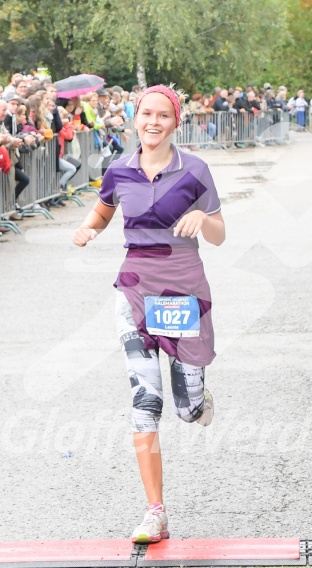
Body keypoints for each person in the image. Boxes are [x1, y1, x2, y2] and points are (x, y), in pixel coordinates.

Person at [72, 84, 225, 543]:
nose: (153, 122)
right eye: (145, 114)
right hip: (135, 290)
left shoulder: (194, 170)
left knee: (186, 408)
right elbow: (101, 212)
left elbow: (219, 234)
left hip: (183, 293)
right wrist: (87, 228)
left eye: (163, 115)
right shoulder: (119, 170)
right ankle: (155, 512)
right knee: (145, 403)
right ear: (134, 119)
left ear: (175, 122)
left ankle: (199, 399)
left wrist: (205, 221)